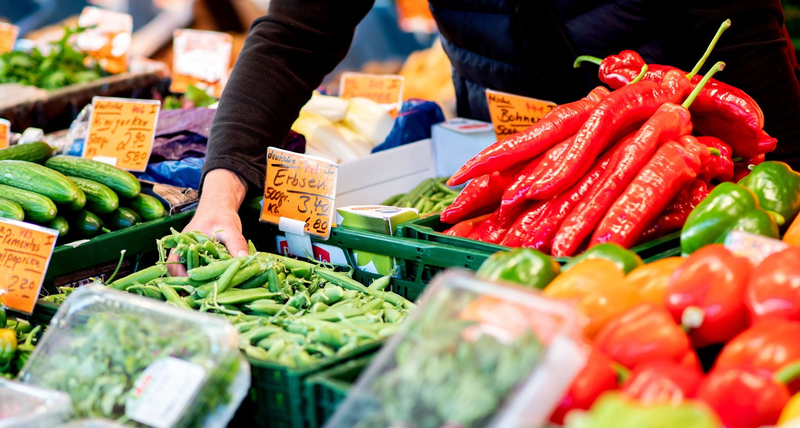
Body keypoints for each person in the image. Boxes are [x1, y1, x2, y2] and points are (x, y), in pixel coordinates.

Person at [173, 0, 800, 264]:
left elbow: (745, 36)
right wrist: (221, 194)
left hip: (671, 163)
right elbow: (294, 36)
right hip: (501, 157)